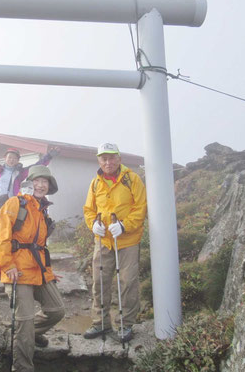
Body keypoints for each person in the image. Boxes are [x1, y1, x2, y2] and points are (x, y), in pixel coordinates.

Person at [0, 165, 65, 372]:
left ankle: (27, 334)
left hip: (38, 270)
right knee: (24, 323)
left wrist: (48, 273)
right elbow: (2, 236)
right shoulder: (16, 203)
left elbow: (40, 248)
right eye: (38, 181)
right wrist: (8, 265)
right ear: (29, 182)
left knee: (57, 310)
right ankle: (23, 367)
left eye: (45, 182)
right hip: (17, 271)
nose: (41, 185)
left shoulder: (43, 210)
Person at [82, 143, 147, 342]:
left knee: (127, 282)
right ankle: (100, 323)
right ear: (98, 160)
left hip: (127, 240)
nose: (107, 162)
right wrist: (93, 224)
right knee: (99, 282)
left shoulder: (132, 179)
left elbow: (140, 208)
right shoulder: (95, 183)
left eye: (111, 158)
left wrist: (125, 226)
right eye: (104, 158)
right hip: (103, 242)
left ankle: (125, 325)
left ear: (119, 158)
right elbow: (88, 210)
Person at [0, 139, 58, 213]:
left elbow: (36, 166)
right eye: (9, 157)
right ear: (5, 158)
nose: (11, 160)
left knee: (11, 227)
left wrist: (49, 156)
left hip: (13, 204)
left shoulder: (20, 173)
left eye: (14, 158)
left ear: (18, 160)